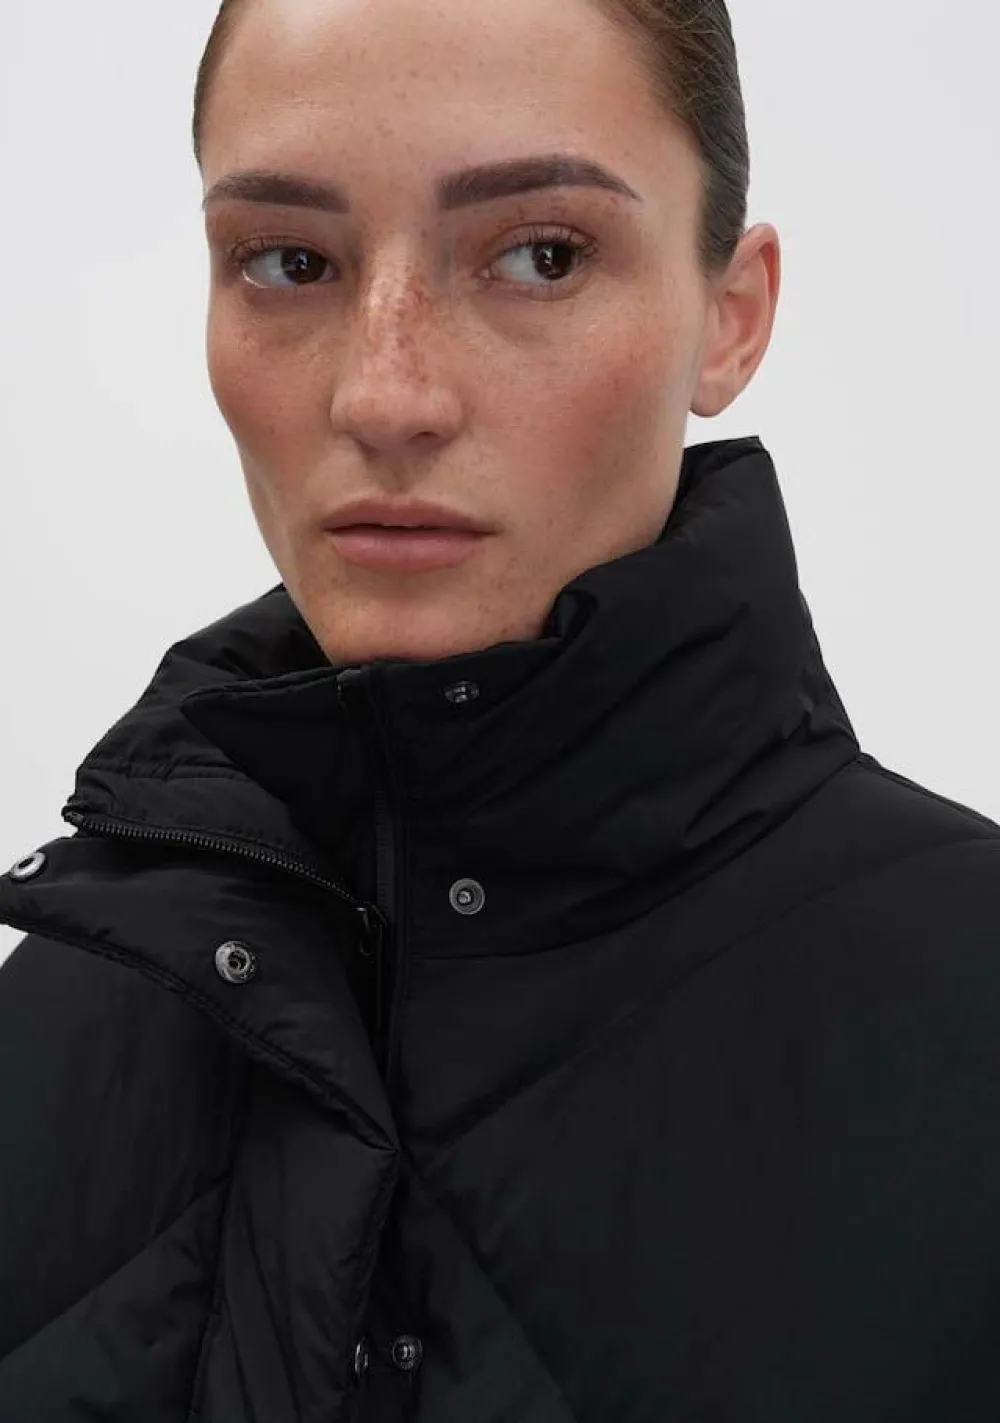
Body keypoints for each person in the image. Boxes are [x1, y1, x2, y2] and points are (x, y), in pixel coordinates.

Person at [1, 0, 997, 1417]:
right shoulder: (53, 1020)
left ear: (733, 316)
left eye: (542, 255)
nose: (386, 394)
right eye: (290, 261)